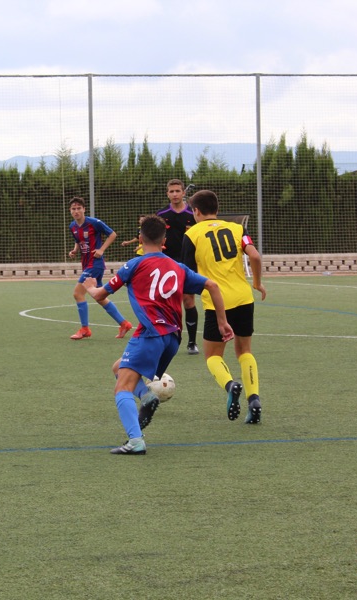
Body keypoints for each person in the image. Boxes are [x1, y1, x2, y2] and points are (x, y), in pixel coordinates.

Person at [82, 215, 234, 455]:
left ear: (140, 238)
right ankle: (147, 396)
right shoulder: (178, 267)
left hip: (150, 334)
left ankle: (136, 441)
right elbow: (212, 286)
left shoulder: (134, 264)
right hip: (172, 338)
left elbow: (100, 294)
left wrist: (90, 285)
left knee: (121, 387)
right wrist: (222, 323)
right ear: (164, 240)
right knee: (118, 368)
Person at [183, 189, 267, 425]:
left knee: (212, 356)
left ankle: (231, 385)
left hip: (216, 302)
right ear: (217, 209)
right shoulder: (237, 228)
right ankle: (254, 400)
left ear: (196, 211)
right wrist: (257, 283)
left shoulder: (191, 234)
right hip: (243, 298)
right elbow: (256, 257)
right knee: (245, 351)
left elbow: (187, 275)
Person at [67, 197, 133, 340]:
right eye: (73, 208)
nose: (76, 211)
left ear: (84, 209)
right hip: (86, 264)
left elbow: (112, 234)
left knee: (78, 294)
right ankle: (124, 324)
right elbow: (78, 241)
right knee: (99, 296)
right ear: (70, 211)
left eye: (79, 208)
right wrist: (74, 250)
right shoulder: (72, 226)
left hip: (95, 264)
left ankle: (85, 329)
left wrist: (101, 249)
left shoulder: (94, 223)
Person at [157, 179, 199, 354]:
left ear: (183, 193)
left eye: (177, 191)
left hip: (188, 262)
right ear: (167, 194)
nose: (174, 194)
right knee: (166, 301)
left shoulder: (193, 214)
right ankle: (166, 340)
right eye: (171, 191)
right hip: (166, 263)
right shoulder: (161, 214)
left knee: (188, 301)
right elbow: (155, 238)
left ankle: (191, 342)